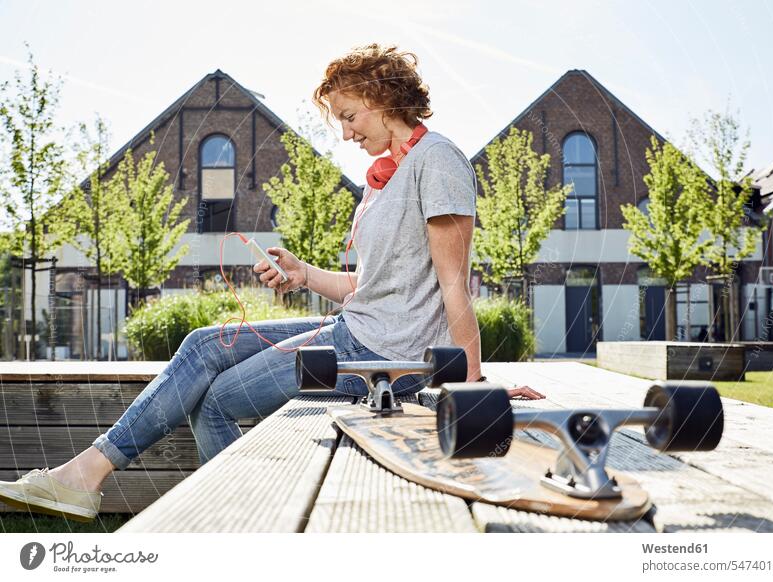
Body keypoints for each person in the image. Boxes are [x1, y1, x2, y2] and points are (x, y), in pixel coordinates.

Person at [0, 43, 544, 522]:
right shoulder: (384, 178)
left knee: (214, 403)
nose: (347, 131)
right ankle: (88, 474)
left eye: (350, 115)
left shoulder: (438, 161)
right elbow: (373, 288)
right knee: (203, 345)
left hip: (379, 358)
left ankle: (236, 518)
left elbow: (455, 285)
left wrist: (473, 386)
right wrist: (303, 274)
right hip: (357, 331)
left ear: (382, 96)